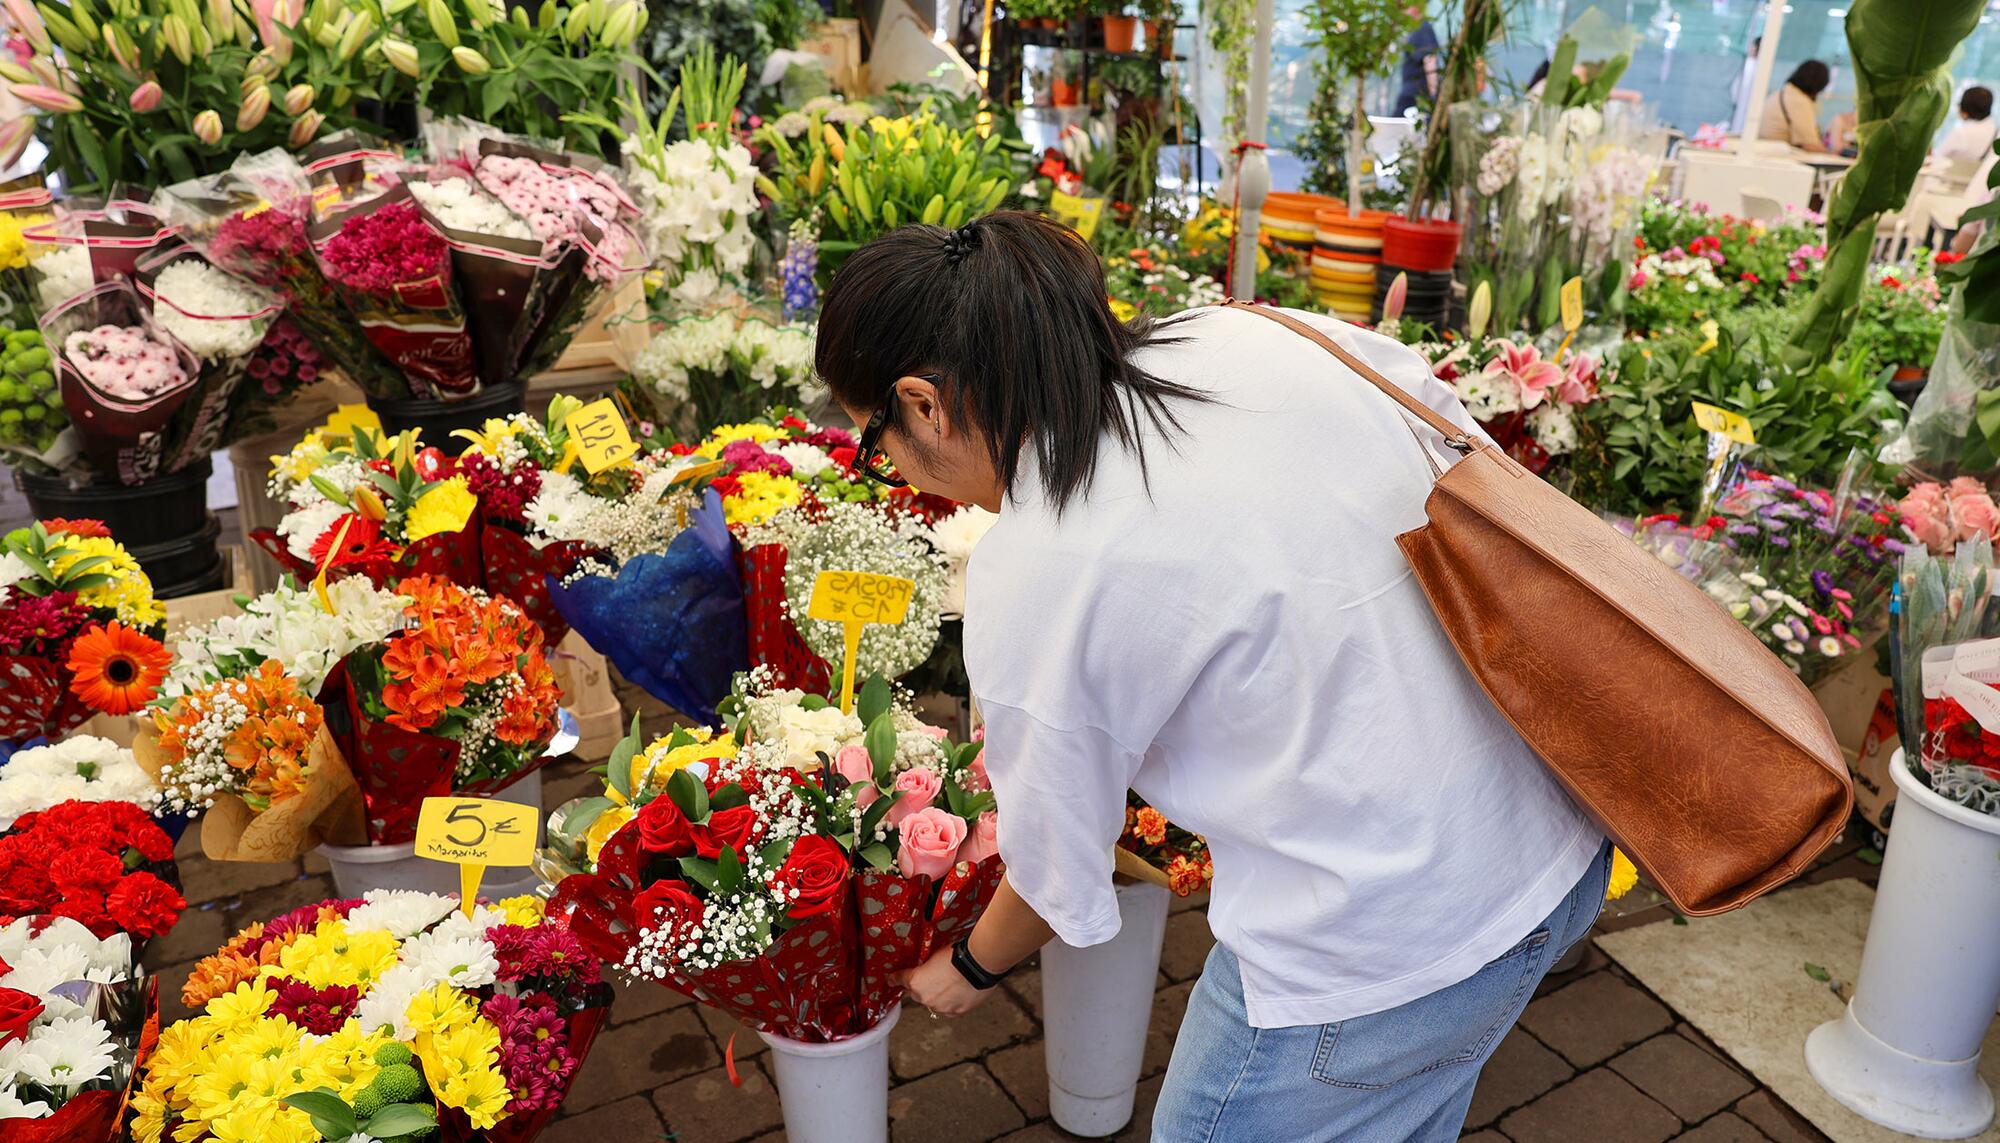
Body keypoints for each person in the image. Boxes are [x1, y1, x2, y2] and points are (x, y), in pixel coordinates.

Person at [818, 212, 1609, 1143]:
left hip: (1377, 945)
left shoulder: (1045, 561)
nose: (905, 476)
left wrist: (969, 967)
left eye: (880, 446)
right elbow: (1462, 454)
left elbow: (1057, 861)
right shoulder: (1247, 331)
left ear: (923, 402)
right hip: (1554, 834)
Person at [1761, 59, 1832, 152]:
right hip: (1777, 153)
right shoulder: (1799, 101)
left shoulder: (1782, 92)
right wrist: (1832, 154)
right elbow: (1810, 145)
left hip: (1766, 150)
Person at [1394, 11, 1440, 115]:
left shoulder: (1422, 28)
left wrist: (1434, 95)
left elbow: (1430, 61)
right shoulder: (1415, 29)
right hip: (1413, 94)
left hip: (1416, 95)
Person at [1936, 85, 1997, 164]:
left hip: (1952, 174)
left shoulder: (1961, 132)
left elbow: (1938, 157)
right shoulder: (1996, 132)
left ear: (1965, 108)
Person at [1729, 37, 1761, 135]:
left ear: (1755, 48)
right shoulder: (1759, 67)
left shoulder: (1749, 65)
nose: (1749, 49)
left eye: (1751, 46)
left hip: (1742, 112)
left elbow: (1735, 92)